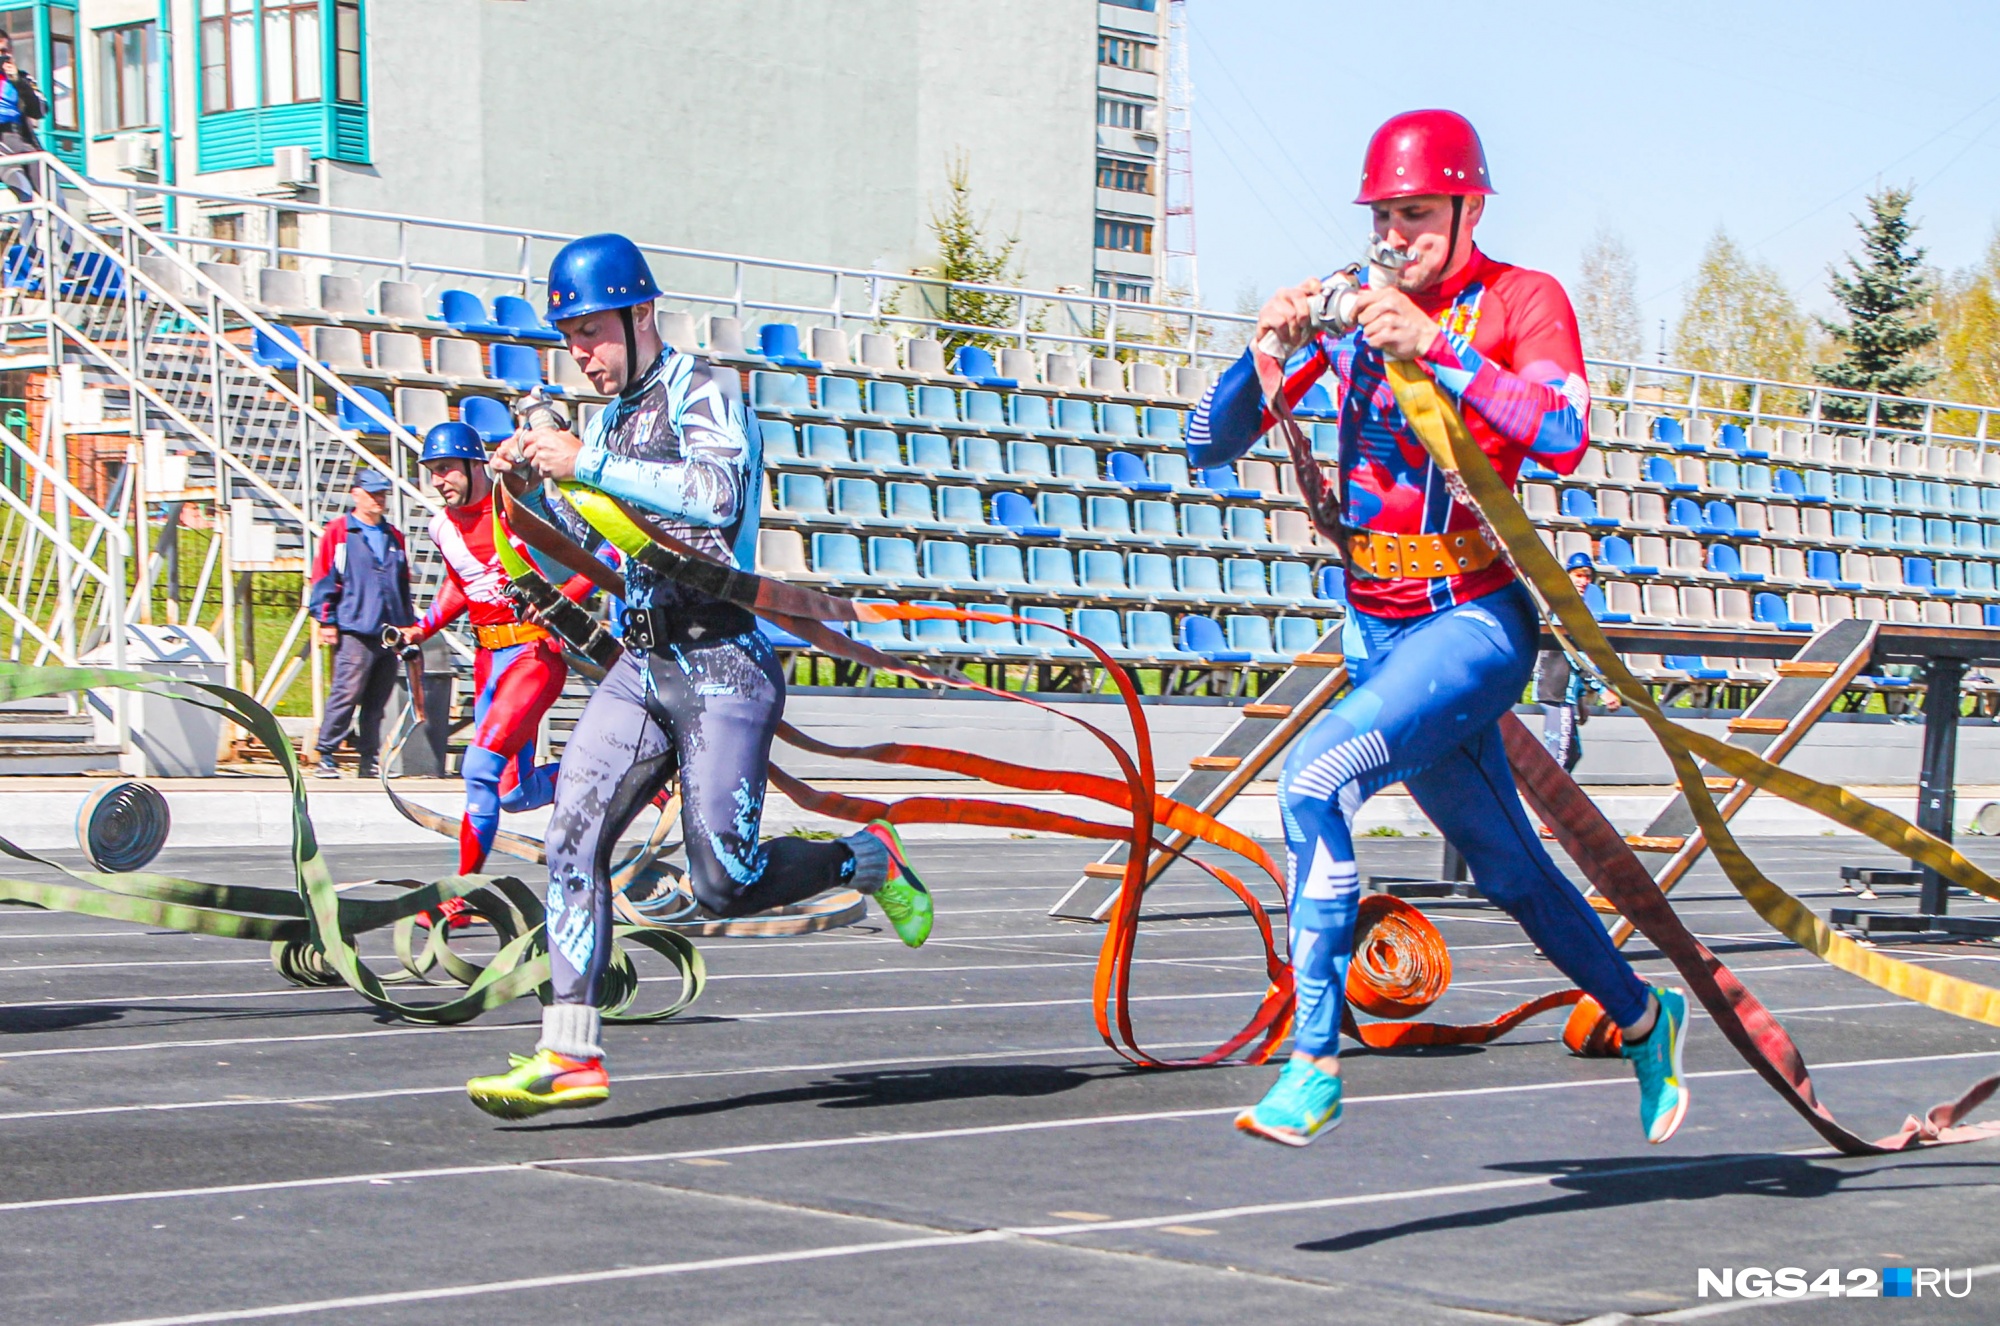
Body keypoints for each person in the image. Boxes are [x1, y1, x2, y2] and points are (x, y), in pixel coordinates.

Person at [1190, 110, 1688, 1148]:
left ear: (1465, 211)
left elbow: (1558, 437)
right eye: (1382, 216)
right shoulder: (1354, 307)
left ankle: (1313, 1064)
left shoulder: (1520, 299)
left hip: (1472, 620)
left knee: (1313, 782)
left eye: (1416, 215)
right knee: (1506, 869)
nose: (1394, 237)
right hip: (1376, 625)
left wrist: (1438, 347)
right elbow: (1209, 443)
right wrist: (1265, 347)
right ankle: (1645, 1018)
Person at [465, 233, 932, 1119]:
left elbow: (714, 499)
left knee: (725, 883)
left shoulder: (708, 389)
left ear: (642, 316)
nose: (580, 353)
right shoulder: (604, 420)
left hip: (723, 662)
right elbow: (612, 526)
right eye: (568, 336)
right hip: (643, 662)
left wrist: (583, 461)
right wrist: (530, 486)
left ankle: (867, 857)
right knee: (572, 840)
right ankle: (569, 1053)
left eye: (592, 332)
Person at [399, 422, 593, 917]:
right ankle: (620, 778)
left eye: (446, 469)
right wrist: (422, 628)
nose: (438, 480)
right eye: (432, 472)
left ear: (473, 464)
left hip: (532, 655)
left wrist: (558, 604)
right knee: (512, 793)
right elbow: (461, 583)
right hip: (489, 662)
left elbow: (598, 560)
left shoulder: (517, 510)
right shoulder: (441, 526)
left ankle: (458, 897)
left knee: (478, 770)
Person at [308, 470, 415, 779]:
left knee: (377, 699)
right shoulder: (340, 532)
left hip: (389, 631)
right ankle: (326, 753)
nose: (379, 499)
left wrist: (408, 626)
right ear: (356, 494)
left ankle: (368, 757)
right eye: (372, 493)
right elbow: (324, 577)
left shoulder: (394, 536)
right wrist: (326, 619)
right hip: (355, 626)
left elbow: (402, 583)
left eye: (382, 493)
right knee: (347, 692)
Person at [1535, 553, 1621, 772]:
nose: (1584, 581)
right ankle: (1549, 803)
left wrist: (1580, 698)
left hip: (1565, 692)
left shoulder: (1572, 606)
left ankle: (1558, 802)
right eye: (1578, 575)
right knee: (1560, 756)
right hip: (1556, 691)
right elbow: (1574, 653)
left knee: (1572, 754)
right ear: (1567, 576)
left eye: (1587, 576)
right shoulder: (1565, 607)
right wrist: (1602, 690)